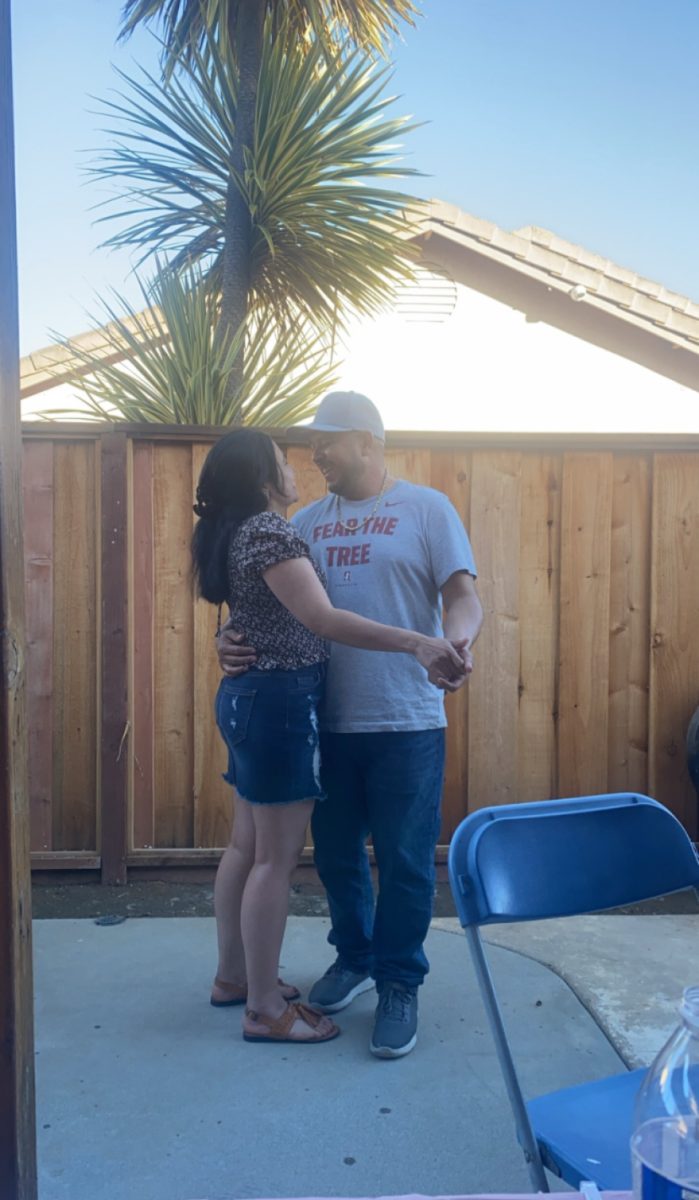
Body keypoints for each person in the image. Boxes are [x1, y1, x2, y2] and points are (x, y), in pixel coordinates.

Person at [216, 392, 483, 1058]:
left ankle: (398, 982)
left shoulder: (425, 508)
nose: (315, 455)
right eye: (309, 445)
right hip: (324, 720)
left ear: (366, 439)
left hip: (406, 719)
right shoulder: (303, 519)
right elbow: (272, 602)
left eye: (327, 441)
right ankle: (354, 958)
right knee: (336, 860)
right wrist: (226, 637)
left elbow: (462, 594)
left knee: (404, 861)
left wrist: (456, 641)